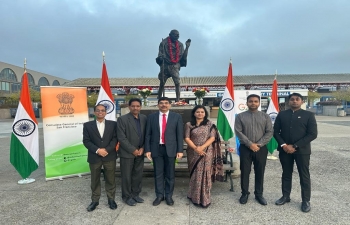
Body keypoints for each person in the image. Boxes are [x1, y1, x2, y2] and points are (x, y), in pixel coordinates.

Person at [273, 92, 317, 213]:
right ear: (288, 101)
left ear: (302, 102)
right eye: (292, 99)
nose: (295, 101)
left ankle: (306, 200)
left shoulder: (309, 115)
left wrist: (295, 145)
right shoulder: (282, 115)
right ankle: (285, 196)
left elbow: (313, 134)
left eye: (297, 99)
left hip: (302, 151)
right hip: (285, 150)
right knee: (286, 173)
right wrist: (284, 145)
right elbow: (276, 132)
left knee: (304, 175)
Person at [184, 105, 227, 208]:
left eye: (202, 112)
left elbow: (212, 138)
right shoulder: (189, 124)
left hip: (207, 151)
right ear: (194, 113)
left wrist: (201, 148)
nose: (200, 114)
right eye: (198, 112)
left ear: (205, 113)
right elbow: (186, 138)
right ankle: (193, 195)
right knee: (195, 173)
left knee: (205, 173)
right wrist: (196, 148)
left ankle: (204, 198)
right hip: (192, 152)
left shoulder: (210, 124)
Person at [234, 94, 273, 205]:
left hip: (261, 149)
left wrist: (259, 144)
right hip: (245, 148)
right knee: (245, 171)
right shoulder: (240, 116)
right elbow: (238, 132)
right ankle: (244, 193)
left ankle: (259, 194)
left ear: (259, 103)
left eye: (256, 101)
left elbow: (269, 132)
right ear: (247, 103)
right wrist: (250, 144)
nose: (253, 103)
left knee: (260, 171)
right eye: (251, 101)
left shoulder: (265, 117)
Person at [144, 97, 183, 206]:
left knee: (170, 174)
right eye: (161, 103)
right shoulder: (152, 117)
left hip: (171, 149)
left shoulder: (177, 117)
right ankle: (159, 195)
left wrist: (180, 150)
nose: (164, 105)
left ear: (170, 105)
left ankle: (169, 196)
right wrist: (147, 149)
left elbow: (179, 135)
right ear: (158, 105)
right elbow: (148, 134)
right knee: (158, 174)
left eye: (166, 103)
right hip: (157, 149)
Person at [83, 104, 118, 212]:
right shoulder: (88, 125)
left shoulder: (113, 124)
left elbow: (115, 139)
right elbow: (86, 141)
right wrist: (98, 150)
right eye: (98, 110)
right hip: (95, 156)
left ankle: (111, 199)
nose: (100, 112)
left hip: (109, 156)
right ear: (94, 112)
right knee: (95, 180)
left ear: (106, 112)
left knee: (111, 179)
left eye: (102, 110)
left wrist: (106, 150)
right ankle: (95, 200)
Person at [116, 98, 147, 206]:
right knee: (126, 176)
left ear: (140, 107)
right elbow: (121, 138)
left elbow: (146, 135)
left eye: (138, 106)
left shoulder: (144, 118)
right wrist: (133, 150)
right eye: (133, 106)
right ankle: (127, 196)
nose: (135, 108)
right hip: (127, 153)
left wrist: (143, 148)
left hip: (140, 152)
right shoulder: (122, 119)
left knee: (137, 175)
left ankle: (135, 194)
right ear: (129, 107)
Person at [156, 29, 191, 102]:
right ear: (170, 35)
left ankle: (178, 100)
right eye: (175, 35)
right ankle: (159, 98)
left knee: (177, 82)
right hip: (165, 64)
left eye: (178, 36)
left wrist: (187, 47)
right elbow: (160, 54)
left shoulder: (180, 45)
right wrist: (161, 57)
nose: (177, 37)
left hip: (175, 65)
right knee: (162, 82)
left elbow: (183, 57)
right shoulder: (163, 43)